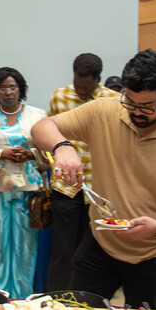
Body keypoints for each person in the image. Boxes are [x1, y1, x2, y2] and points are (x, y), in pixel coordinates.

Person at [32, 50, 156, 308]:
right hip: (102, 241)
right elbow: (42, 127)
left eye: (146, 106)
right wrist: (62, 147)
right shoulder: (105, 111)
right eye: (130, 101)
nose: (136, 112)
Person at [45, 53, 119, 291]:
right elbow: (48, 135)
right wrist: (54, 160)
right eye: (78, 84)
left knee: (91, 251)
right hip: (66, 187)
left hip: (98, 189)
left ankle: (85, 299)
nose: (81, 90)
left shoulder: (113, 101)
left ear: (99, 79)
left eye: (87, 87)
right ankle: (56, 299)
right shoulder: (60, 96)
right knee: (63, 251)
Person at [0, 67, 47, 298]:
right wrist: (0, 154)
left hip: (29, 190)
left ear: (20, 89)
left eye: (13, 87)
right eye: (3, 87)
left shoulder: (38, 115)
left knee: (26, 246)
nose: (8, 92)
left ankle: (23, 297)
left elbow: (49, 154)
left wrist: (31, 154)